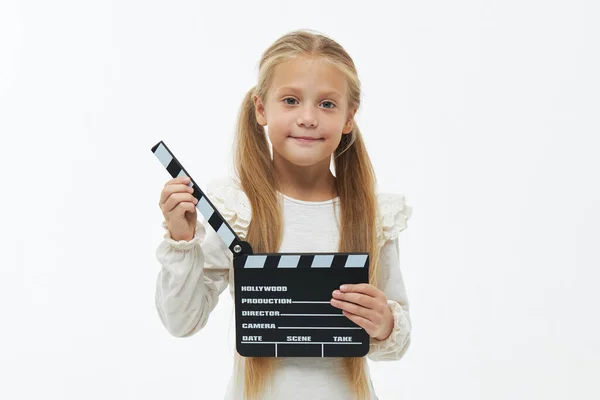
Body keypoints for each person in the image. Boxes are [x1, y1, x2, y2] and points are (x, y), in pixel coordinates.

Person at [155, 29, 413, 400]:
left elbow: (399, 341)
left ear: (348, 117)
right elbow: (182, 322)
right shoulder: (236, 211)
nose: (308, 117)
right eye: (291, 100)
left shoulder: (374, 215)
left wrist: (385, 323)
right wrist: (182, 242)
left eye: (327, 104)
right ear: (261, 109)